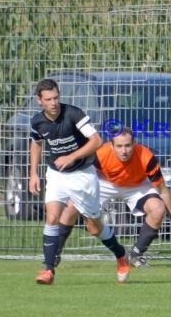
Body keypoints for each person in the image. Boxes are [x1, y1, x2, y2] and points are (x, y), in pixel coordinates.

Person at [29, 78, 129, 285]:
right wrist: (33, 174)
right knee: (52, 217)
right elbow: (36, 144)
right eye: (48, 99)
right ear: (39, 101)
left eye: (56, 97)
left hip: (83, 175)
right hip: (56, 174)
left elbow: (96, 140)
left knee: (94, 228)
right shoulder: (37, 121)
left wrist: (71, 157)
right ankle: (48, 270)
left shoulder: (73, 114)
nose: (54, 103)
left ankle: (120, 253)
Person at [54, 127, 171, 268]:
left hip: (137, 185)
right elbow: (83, 174)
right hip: (104, 182)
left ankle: (136, 255)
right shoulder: (100, 154)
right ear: (111, 145)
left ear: (134, 144)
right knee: (73, 207)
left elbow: (163, 191)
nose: (124, 151)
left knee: (158, 208)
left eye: (128, 145)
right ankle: (55, 253)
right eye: (119, 146)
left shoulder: (146, 157)